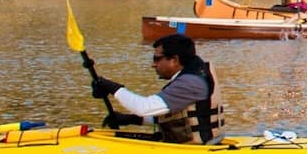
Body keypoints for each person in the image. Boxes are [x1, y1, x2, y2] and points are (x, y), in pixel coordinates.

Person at [90, 34, 226, 144]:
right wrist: (131, 119)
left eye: (157, 59)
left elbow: (144, 107)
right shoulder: (194, 74)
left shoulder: (190, 83)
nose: (153, 65)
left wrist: (113, 88)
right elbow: (179, 117)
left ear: (174, 60)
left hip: (198, 151)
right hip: (204, 144)